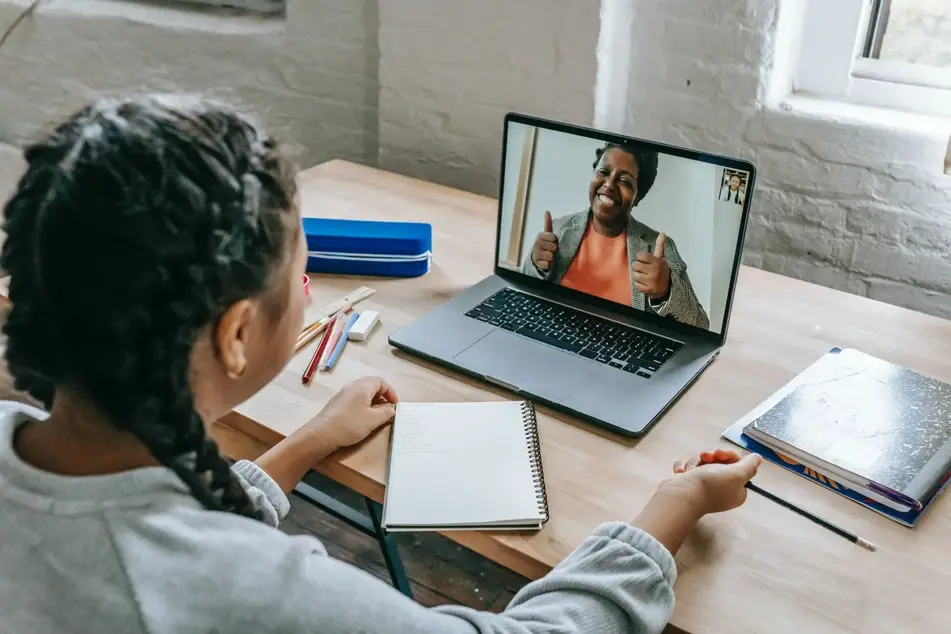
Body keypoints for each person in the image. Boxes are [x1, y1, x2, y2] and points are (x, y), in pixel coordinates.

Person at [0, 95, 762, 634]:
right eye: (300, 263)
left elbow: (154, 518)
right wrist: (674, 506)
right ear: (236, 334)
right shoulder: (256, 591)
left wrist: (301, 445)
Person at [520, 142, 710, 330]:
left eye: (625, 181)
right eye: (603, 171)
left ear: (637, 197)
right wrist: (534, 265)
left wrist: (666, 291)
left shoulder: (659, 248)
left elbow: (701, 326)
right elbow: (524, 298)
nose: (609, 184)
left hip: (621, 354)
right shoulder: (558, 230)